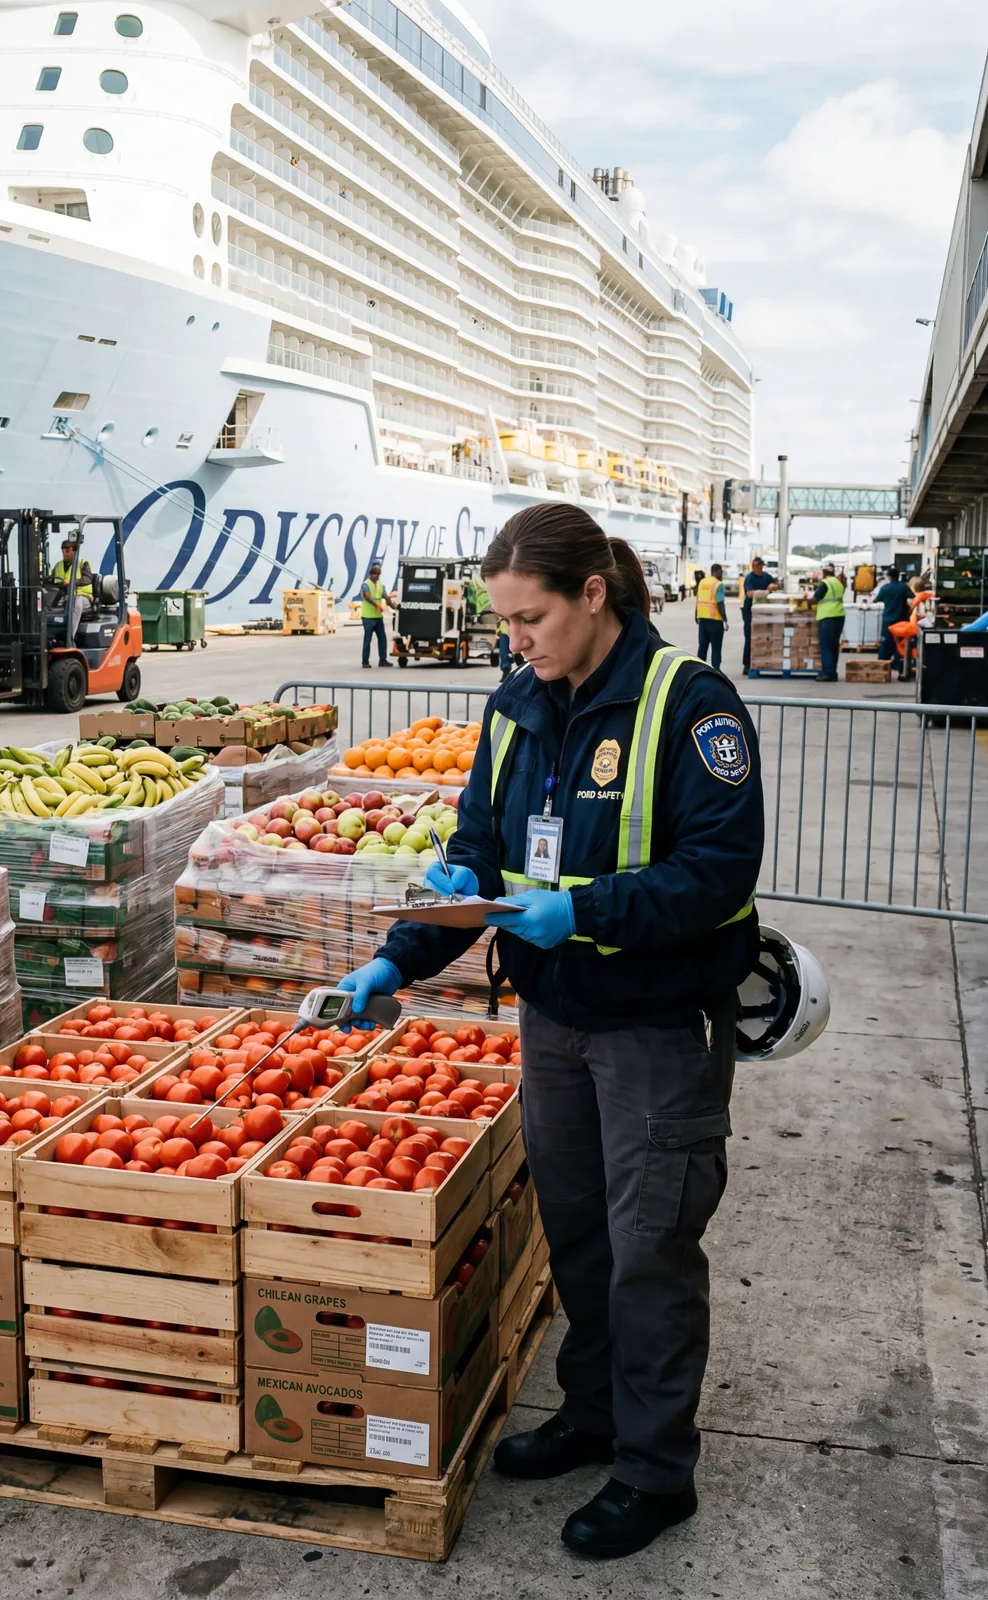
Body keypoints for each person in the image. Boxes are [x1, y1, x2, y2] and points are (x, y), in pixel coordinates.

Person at [336, 502, 762, 1562]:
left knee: (649, 1250)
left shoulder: (689, 705)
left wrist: (584, 911)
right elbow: (479, 848)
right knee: (575, 1231)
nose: (514, 640)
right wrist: (402, 950)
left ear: (592, 595)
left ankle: (656, 1470)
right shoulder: (519, 702)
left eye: (529, 618)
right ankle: (594, 1413)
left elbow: (716, 873)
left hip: (654, 1028)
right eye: (504, 623)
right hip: (554, 1020)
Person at [739, 556, 777, 676]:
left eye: (761, 565)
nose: (759, 568)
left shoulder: (767, 576)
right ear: (753, 566)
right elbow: (749, 594)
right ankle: (747, 664)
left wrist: (774, 587)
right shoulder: (749, 578)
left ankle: (762, 662)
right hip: (750, 611)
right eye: (757, 566)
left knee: (763, 636)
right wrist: (766, 591)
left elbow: (775, 585)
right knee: (750, 636)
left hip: (764, 609)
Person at [873, 567, 915, 663]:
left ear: (889, 577)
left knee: (886, 641)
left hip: (888, 619)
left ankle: (883, 662)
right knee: (899, 642)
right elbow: (912, 598)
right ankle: (898, 662)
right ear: (898, 576)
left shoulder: (884, 588)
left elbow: (876, 599)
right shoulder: (904, 587)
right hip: (901, 619)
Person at [812, 563, 846, 680]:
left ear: (824, 572)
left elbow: (816, 598)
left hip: (827, 616)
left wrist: (808, 601)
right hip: (839, 616)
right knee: (834, 645)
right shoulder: (839, 583)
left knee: (826, 645)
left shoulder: (825, 583)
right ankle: (833, 671)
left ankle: (827, 672)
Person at [359, 560, 394, 668]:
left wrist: (392, 605)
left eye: (379, 574)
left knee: (382, 638)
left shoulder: (380, 584)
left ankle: (382, 660)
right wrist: (377, 605)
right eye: (377, 574)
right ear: (372, 574)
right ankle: (365, 662)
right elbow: (367, 596)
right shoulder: (366, 584)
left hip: (378, 617)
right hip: (368, 617)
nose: (378, 576)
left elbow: (385, 595)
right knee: (367, 640)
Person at [694, 563, 727, 671]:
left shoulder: (702, 582)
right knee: (716, 648)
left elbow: (698, 599)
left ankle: (699, 670)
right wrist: (725, 619)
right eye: (721, 571)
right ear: (718, 571)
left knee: (702, 646)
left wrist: (696, 614)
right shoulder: (718, 584)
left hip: (702, 619)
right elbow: (720, 603)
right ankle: (716, 670)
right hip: (715, 620)